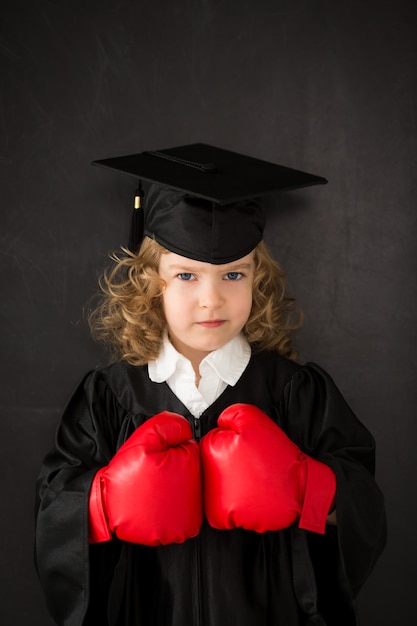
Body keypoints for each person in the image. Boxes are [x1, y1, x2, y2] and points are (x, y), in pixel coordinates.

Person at [34, 143, 386, 626]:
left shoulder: (294, 391)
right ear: (149, 281)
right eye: (185, 275)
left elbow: (365, 507)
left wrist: (306, 488)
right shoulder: (108, 396)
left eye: (233, 274)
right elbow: (53, 512)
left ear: (257, 279)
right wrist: (103, 503)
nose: (211, 300)